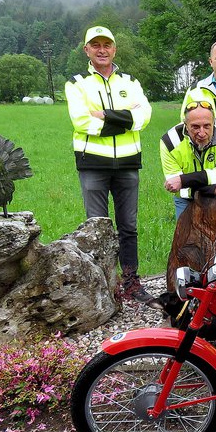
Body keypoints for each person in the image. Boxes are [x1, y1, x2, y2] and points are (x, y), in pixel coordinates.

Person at [65, 26, 153, 303]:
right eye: (96, 45)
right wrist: (125, 120)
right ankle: (103, 284)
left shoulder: (130, 81)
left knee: (129, 226)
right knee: (97, 228)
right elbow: (81, 121)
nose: (102, 49)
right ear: (86, 50)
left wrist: (104, 115)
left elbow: (145, 116)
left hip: (128, 163)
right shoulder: (77, 83)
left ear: (114, 48)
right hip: (93, 164)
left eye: (107, 44)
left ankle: (130, 282)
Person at [161, 101, 216, 219]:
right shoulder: (170, 142)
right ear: (185, 125)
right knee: (185, 236)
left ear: (214, 123)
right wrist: (213, 188)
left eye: (207, 126)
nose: (202, 133)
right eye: (195, 127)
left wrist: (183, 180)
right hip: (186, 198)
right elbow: (175, 187)